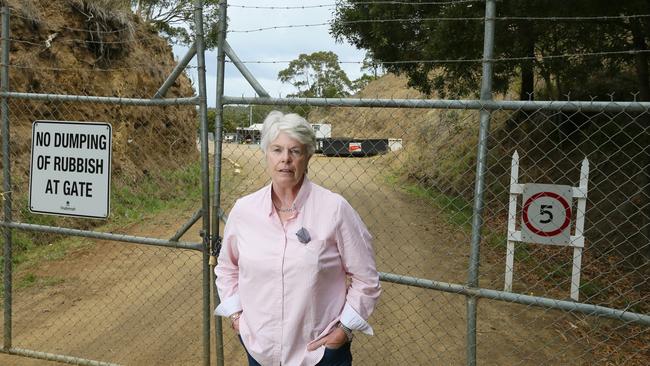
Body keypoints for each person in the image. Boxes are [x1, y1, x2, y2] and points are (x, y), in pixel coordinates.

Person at [214, 111, 381, 366]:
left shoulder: (334, 209)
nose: (285, 160)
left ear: (308, 156)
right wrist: (237, 317)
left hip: (319, 354)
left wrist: (344, 330)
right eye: (277, 150)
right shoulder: (244, 211)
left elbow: (366, 278)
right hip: (260, 351)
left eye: (295, 151)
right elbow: (227, 268)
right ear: (266, 155)